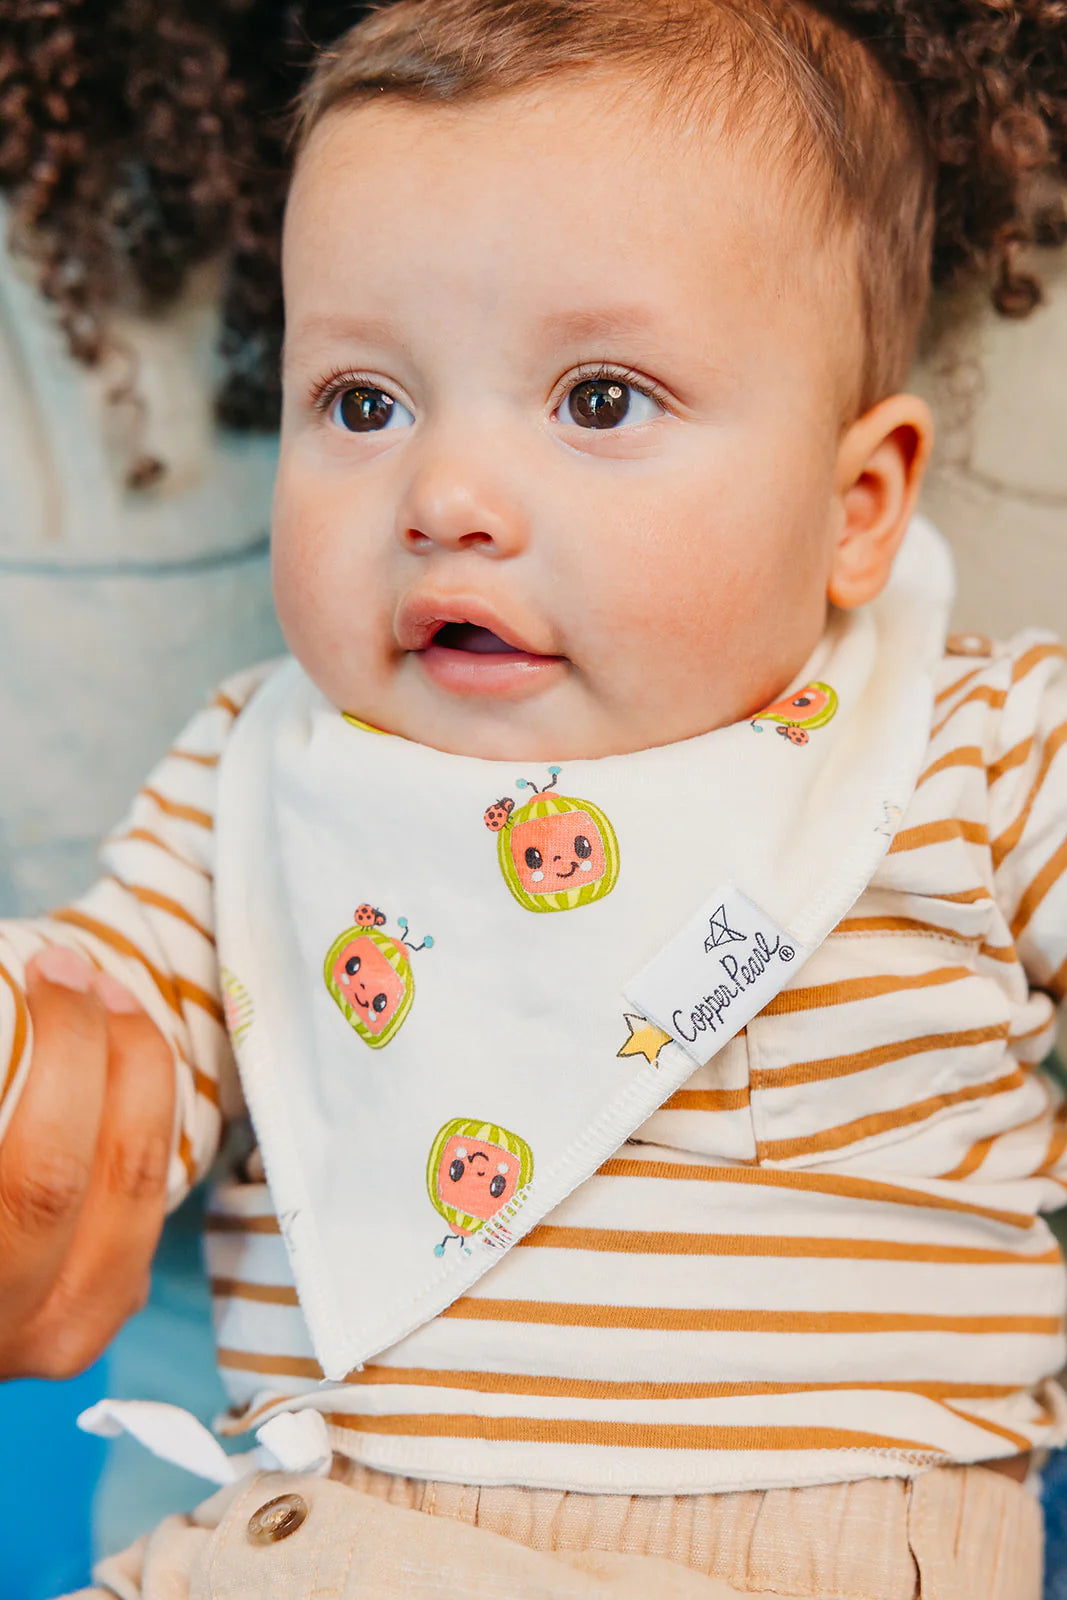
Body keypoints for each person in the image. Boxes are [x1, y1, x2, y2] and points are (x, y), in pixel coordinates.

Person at [3, 0, 1067, 1593]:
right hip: (313, 1544)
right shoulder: (256, 775)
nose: (446, 498)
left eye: (599, 399)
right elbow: (104, 1064)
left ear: (857, 507)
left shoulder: (975, 748)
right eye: (364, 403)